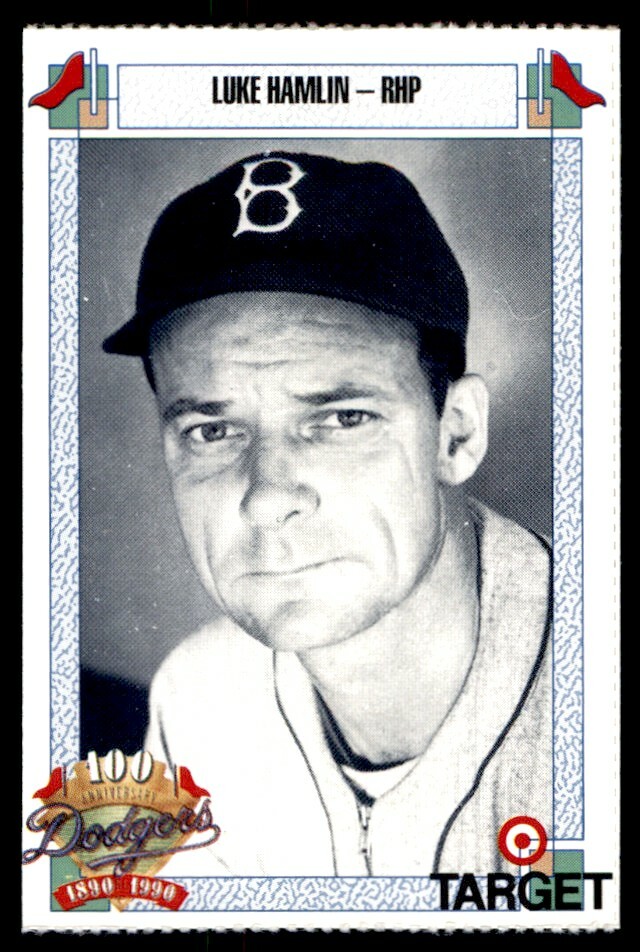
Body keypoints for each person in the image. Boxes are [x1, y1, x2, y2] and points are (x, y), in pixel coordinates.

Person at [103, 152, 552, 876]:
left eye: (342, 418)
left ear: (456, 434)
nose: (267, 496)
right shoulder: (198, 696)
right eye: (212, 431)